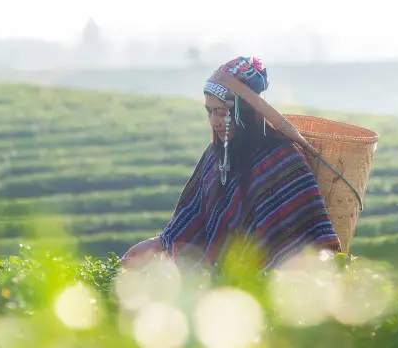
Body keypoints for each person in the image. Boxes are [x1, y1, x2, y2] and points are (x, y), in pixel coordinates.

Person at [120, 56, 341, 271]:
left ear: (243, 113)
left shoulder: (281, 159)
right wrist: (156, 243)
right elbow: (194, 215)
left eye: (222, 113)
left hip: (270, 286)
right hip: (219, 284)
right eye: (209, 112)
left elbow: (305, 232)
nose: (214, 121)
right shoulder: (214, 155)